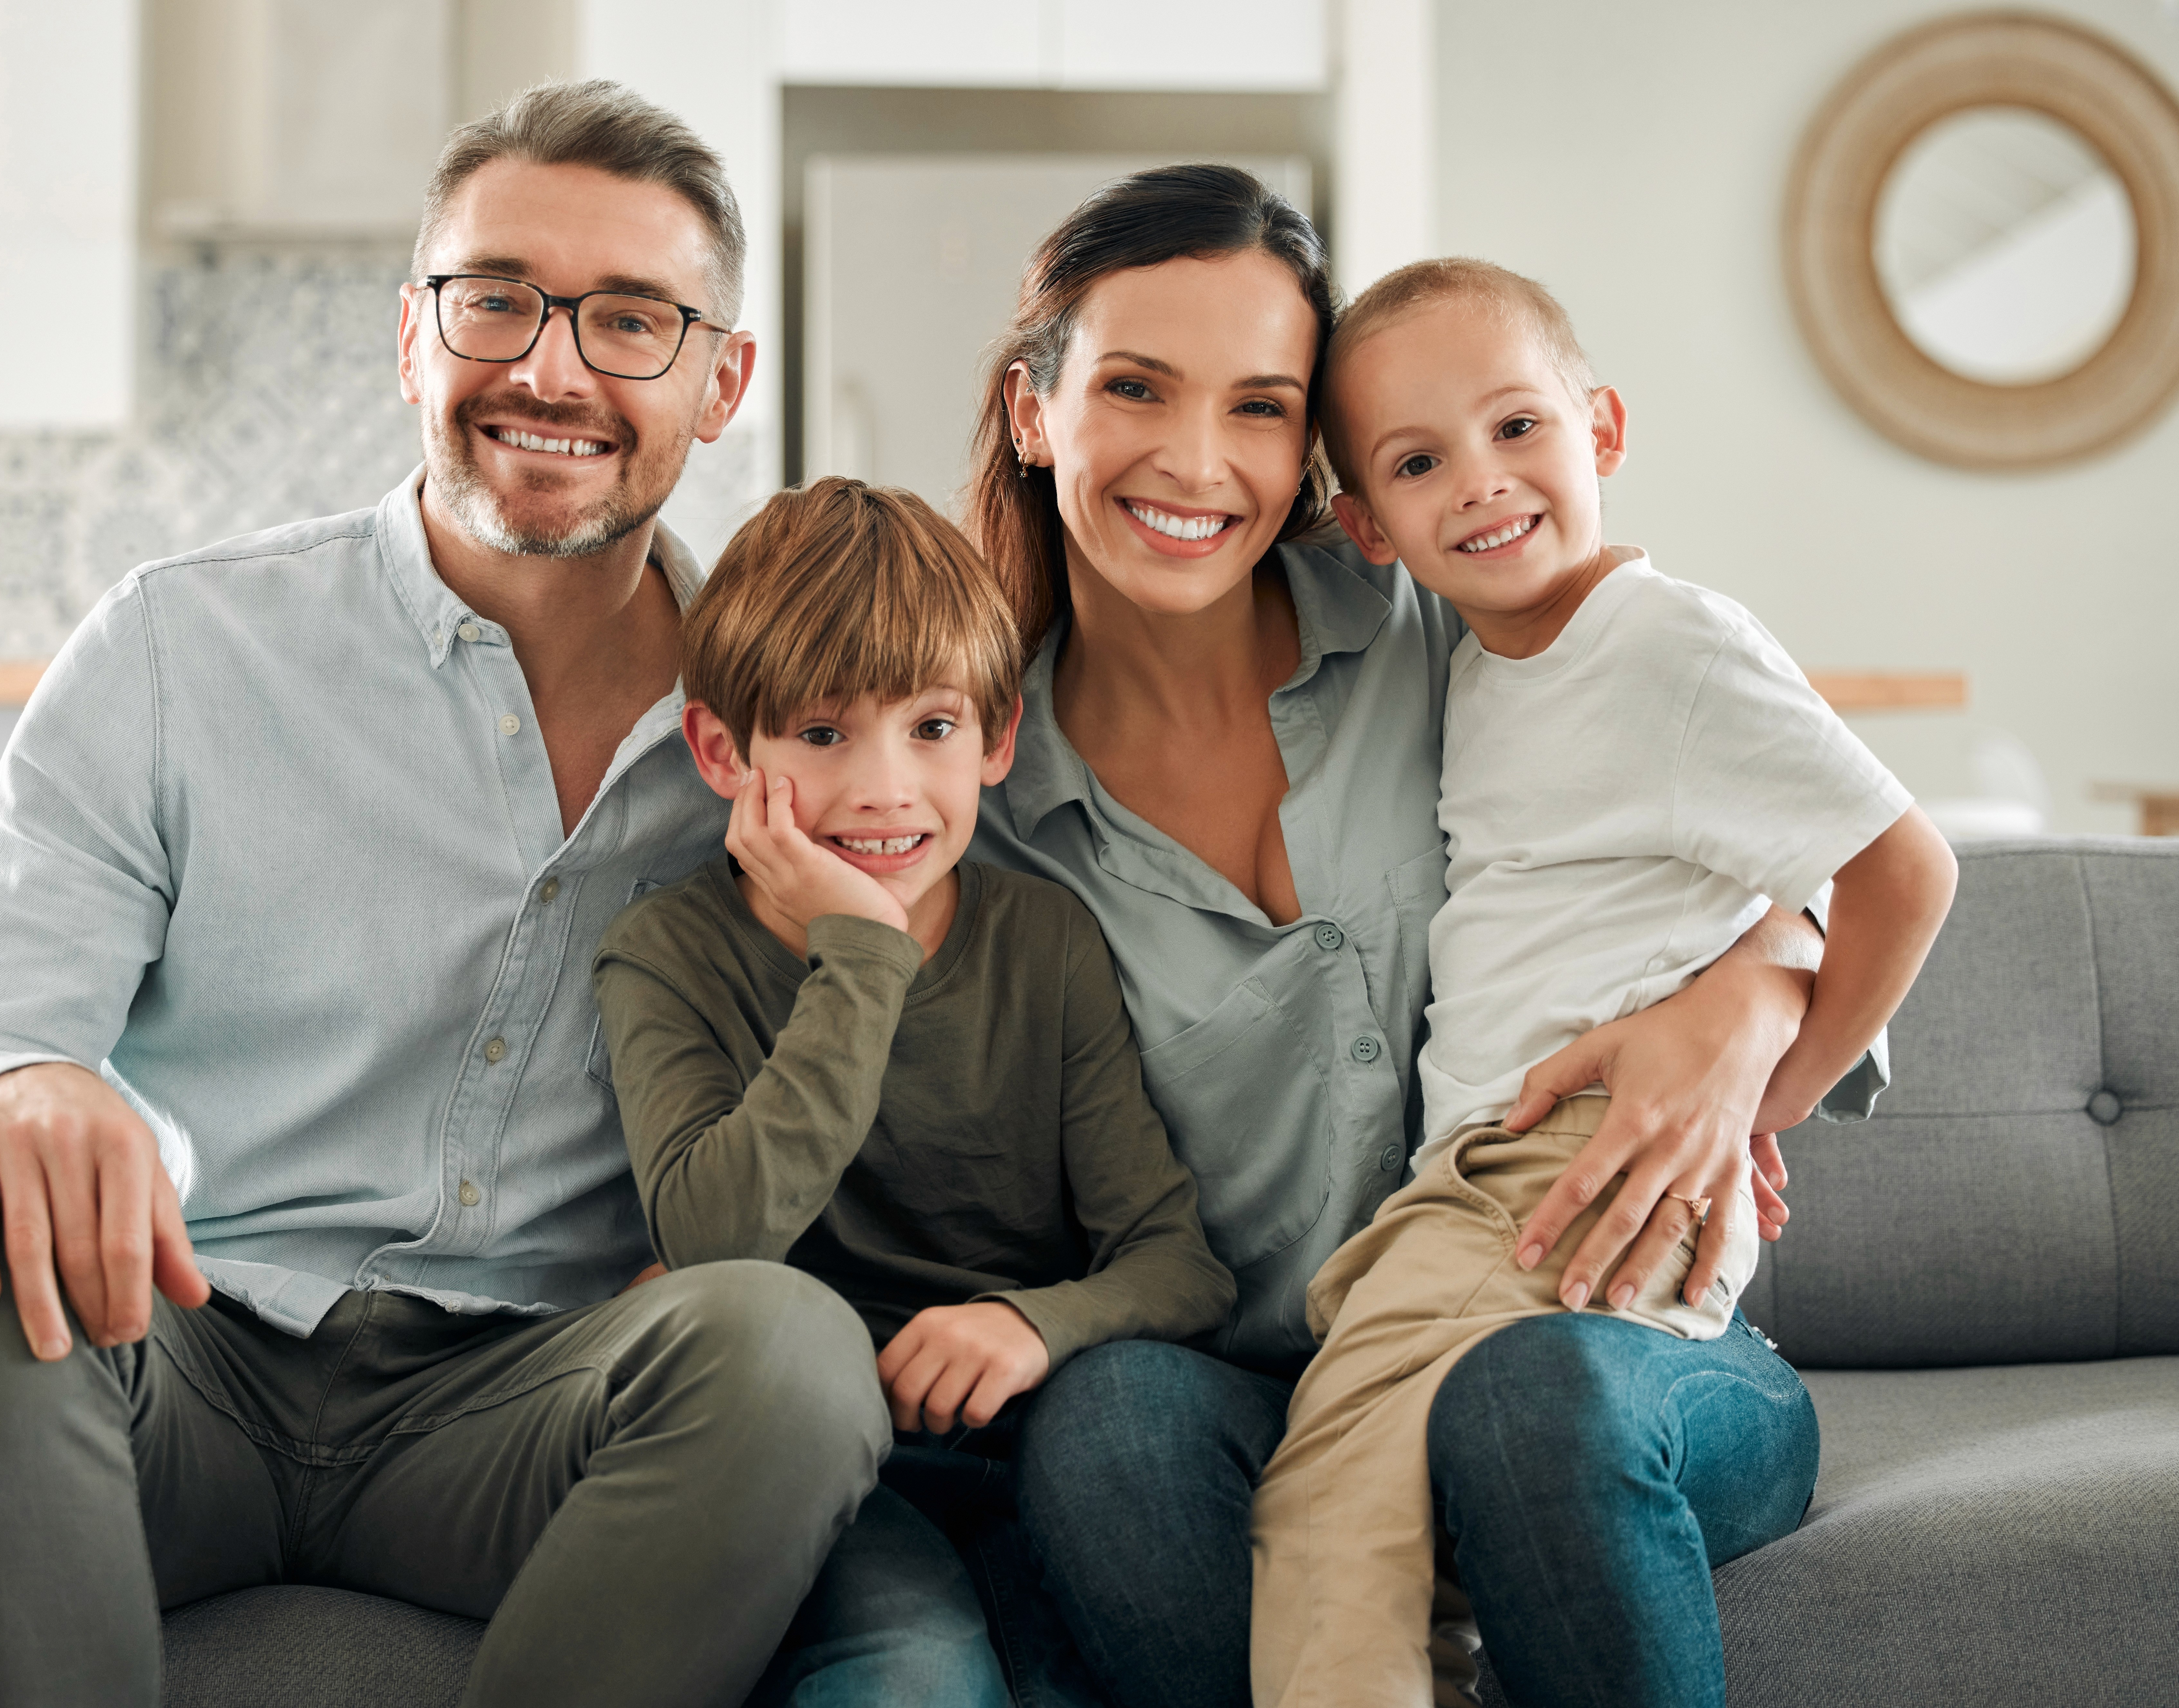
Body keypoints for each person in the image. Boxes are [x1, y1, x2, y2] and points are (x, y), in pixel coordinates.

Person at [0, 81, 900, 1708]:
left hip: (531, 1404)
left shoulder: (804, 723)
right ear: (412, 338)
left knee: (794, 1353)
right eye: (496, 301)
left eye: (628, 321)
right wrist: (16, 1092)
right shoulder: (177, 649)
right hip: (174, 1351)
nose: (548, 367)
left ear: (722, 379)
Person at [962, 163, 1880, 1708]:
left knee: (1535, 1400)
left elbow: (1792, 819)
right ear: (1031, 411)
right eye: (1134, 387)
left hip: (1599, 1343)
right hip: (1260, 1390)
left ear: (1317, 471)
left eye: (1258, 405)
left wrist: (1752, 988)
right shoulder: (974, 803)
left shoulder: (1442, 612)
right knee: (1106, 1428)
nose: (1197, 459)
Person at [1247, 259, 1960, 1708]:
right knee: (1395, 1519)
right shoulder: (1485, 660)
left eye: (1518, 429)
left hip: (1559, 1167)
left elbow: (1906, 869)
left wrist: (1778, 1086)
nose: (1481, 483)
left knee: (1326, 1501)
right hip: (1492, 1180)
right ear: (1364, 528)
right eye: (1416, 461)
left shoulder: (1666, 644)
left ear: (1602, 432)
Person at [591, 475, 1234, 1706]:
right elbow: (714, 1236)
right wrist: (864, 957)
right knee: (920, 1681)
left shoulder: (1041, 942)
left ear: (998, 738)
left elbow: (1178, 1265)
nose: (888, 790)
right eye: (825, 735)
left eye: (932, 729)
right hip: (823, 1461)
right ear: (726, 753)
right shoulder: (666, 953)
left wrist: (1032, 1322)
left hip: (1034, 1439)